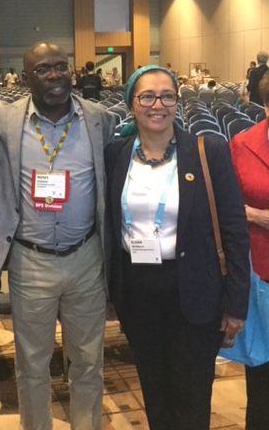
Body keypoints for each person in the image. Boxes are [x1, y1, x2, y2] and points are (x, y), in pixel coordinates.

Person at [104, 65, 250, 430]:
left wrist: (236, 302)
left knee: (192, 395)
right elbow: (107, 225)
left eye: (167, 96)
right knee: (154, 392)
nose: (158, 105)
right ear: (131, 103)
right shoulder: (116, 154)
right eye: (148, 96)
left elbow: (233, 229)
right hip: (138, 294)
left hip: (196, 292)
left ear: (177, 102)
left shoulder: (207, 151)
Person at [0, 41, 116, 430]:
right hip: (31, 260)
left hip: (86, 257)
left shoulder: (97, 119)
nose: (55, 74)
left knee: (89, 361)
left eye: (61, 66)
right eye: (43, 69)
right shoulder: (2, 120)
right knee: (32, 364)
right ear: (26, 78)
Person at [230, 71, 269, 430]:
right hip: (261, 278)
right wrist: (256, 214)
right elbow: (226, 209)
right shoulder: (242, 144)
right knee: (261, 384)